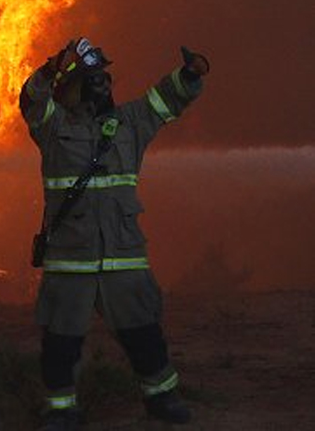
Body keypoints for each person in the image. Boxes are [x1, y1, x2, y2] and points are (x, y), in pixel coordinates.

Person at [19, 38, 210, 430]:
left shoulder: (130, 123)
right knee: (61, 342)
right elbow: (32, 100)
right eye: (93, 78)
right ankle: (61, 411)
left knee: (144, 334)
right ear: (72, 87)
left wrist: (189, 76)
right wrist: (50, 69)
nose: (103, 84)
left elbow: (165, 100)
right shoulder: (53, 127)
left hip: (124, 255)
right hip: (71, 259)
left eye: (105, 77)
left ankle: (161, 398)